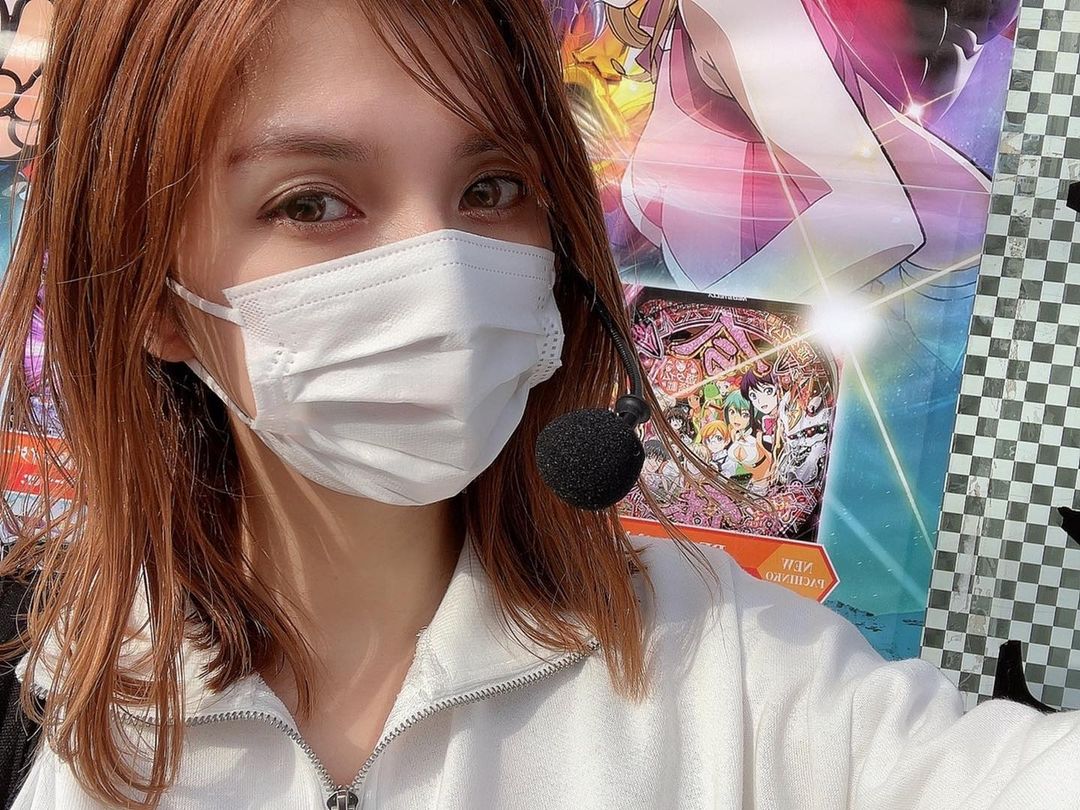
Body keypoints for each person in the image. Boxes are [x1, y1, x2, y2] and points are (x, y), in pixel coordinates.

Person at [0, 2, 1076, 809]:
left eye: (491, 189)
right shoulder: (69, 709)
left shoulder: (740, 674)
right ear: (156, 295)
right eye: (313, 203)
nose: (444, 274)